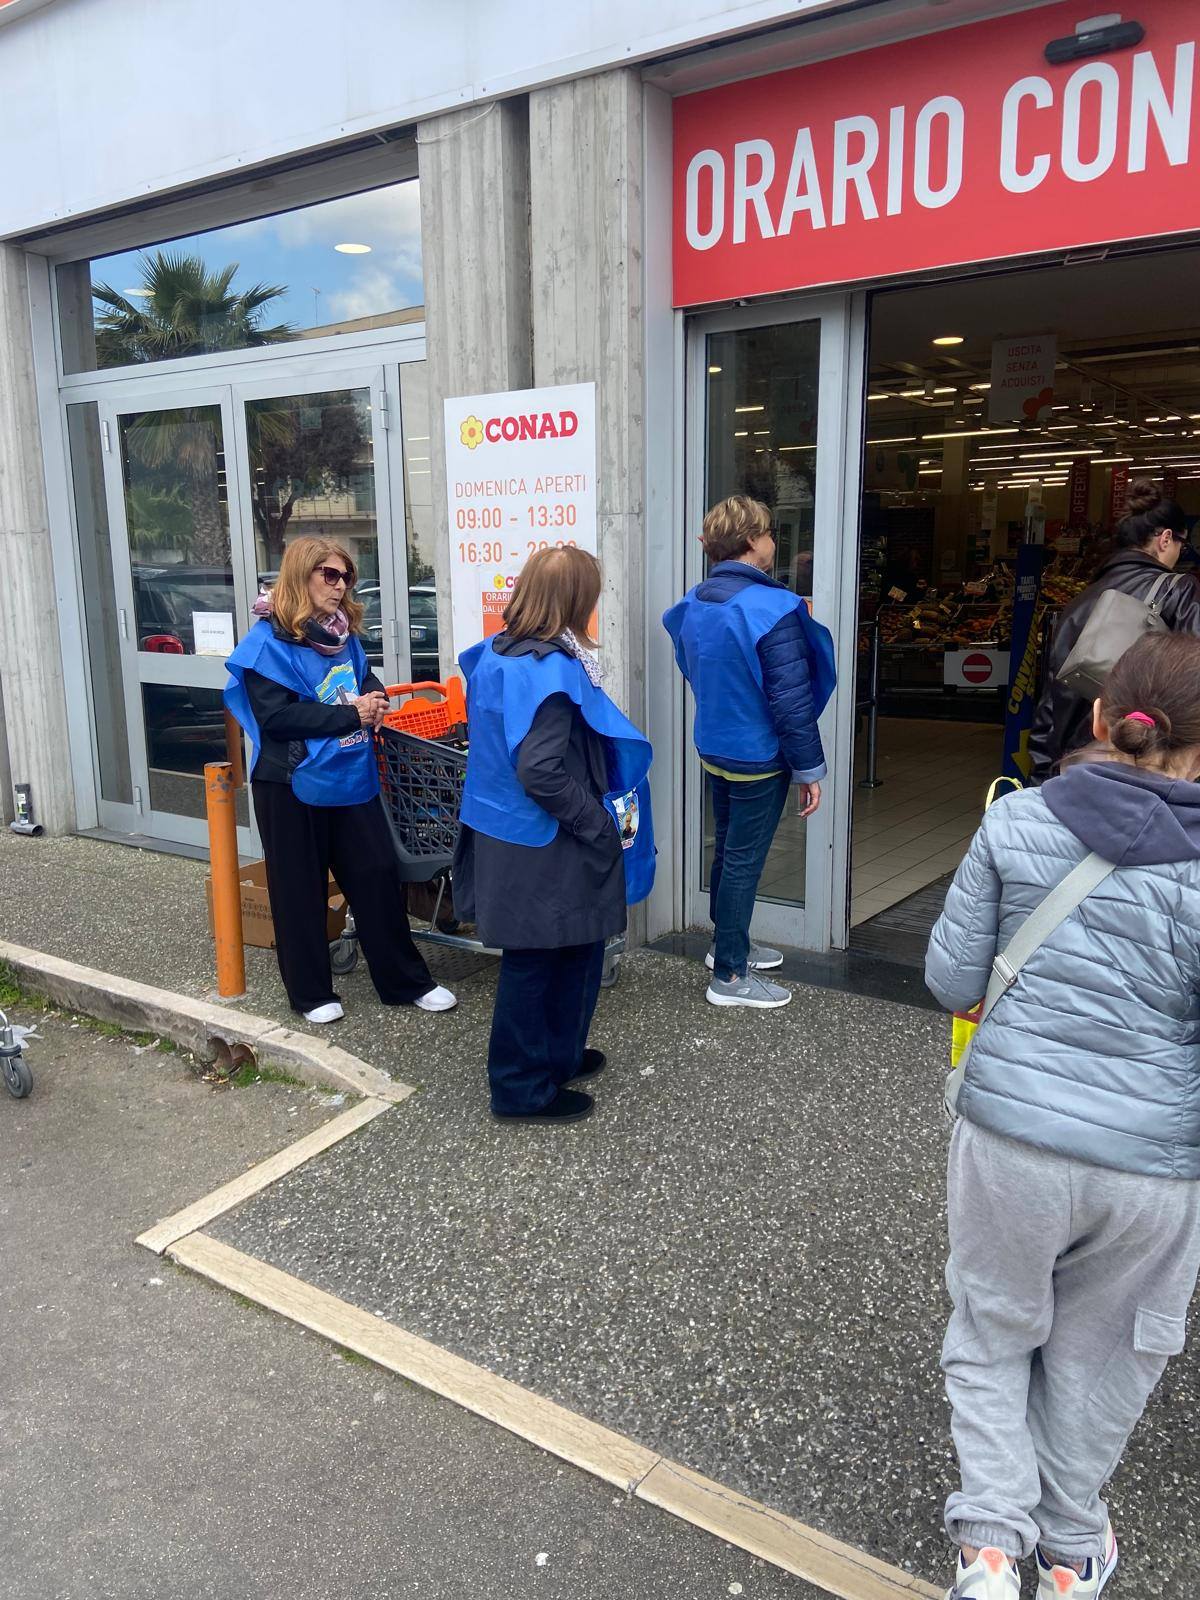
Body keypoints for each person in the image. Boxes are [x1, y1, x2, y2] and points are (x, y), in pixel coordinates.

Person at [925, 630, 1200, 1600]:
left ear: (1095, 719)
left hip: (1010, 1141)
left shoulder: (1017, 822)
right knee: (1103, 1352)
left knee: (995, 1330)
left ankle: (992, 1554)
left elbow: (953, 976)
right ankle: (1074, 1550)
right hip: (1154, 1165)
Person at [453, 546, 654, 1124]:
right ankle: (519, 1088)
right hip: (547, 835)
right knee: (542, 957)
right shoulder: (552, 668)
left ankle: (557, 1057)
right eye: (590, 594)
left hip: (506, 829)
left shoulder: (495, 652)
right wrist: (595, 823)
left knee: (570, 946)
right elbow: (540, 769)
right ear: (574, 600)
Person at [224, 537, 456, 1023]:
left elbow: (364, 677)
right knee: (299, 889)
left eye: (346, 575)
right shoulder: (264, 644)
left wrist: (372, 698)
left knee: (376, 878)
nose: (340, 584)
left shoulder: (340, 633)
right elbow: (278, 719)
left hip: (352, 776)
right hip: (290, 784)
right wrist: (352, 714)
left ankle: (404, 982)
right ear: (299, 576)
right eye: (329, 574)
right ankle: (310, 994)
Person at [663, 495, 835, 1009]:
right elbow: (791, 699)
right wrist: (809, 769)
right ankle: (731, 978)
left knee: (726, 854)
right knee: (742, 861)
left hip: (715, 745)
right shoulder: (772, 608)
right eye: (768, 533)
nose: (773, 542)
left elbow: (691, 666)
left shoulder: (694, 604)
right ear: (750, 543)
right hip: (760, 756)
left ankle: (726, 946)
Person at [1029, 479, 1200, 781]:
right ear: (1165, 538)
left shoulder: (1079, 602)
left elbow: (1050, 700)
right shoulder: (1179, 591)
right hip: (1148, 770)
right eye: (1181, 545)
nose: (1179, 552)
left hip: (1075, 768)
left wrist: (1042, 775)